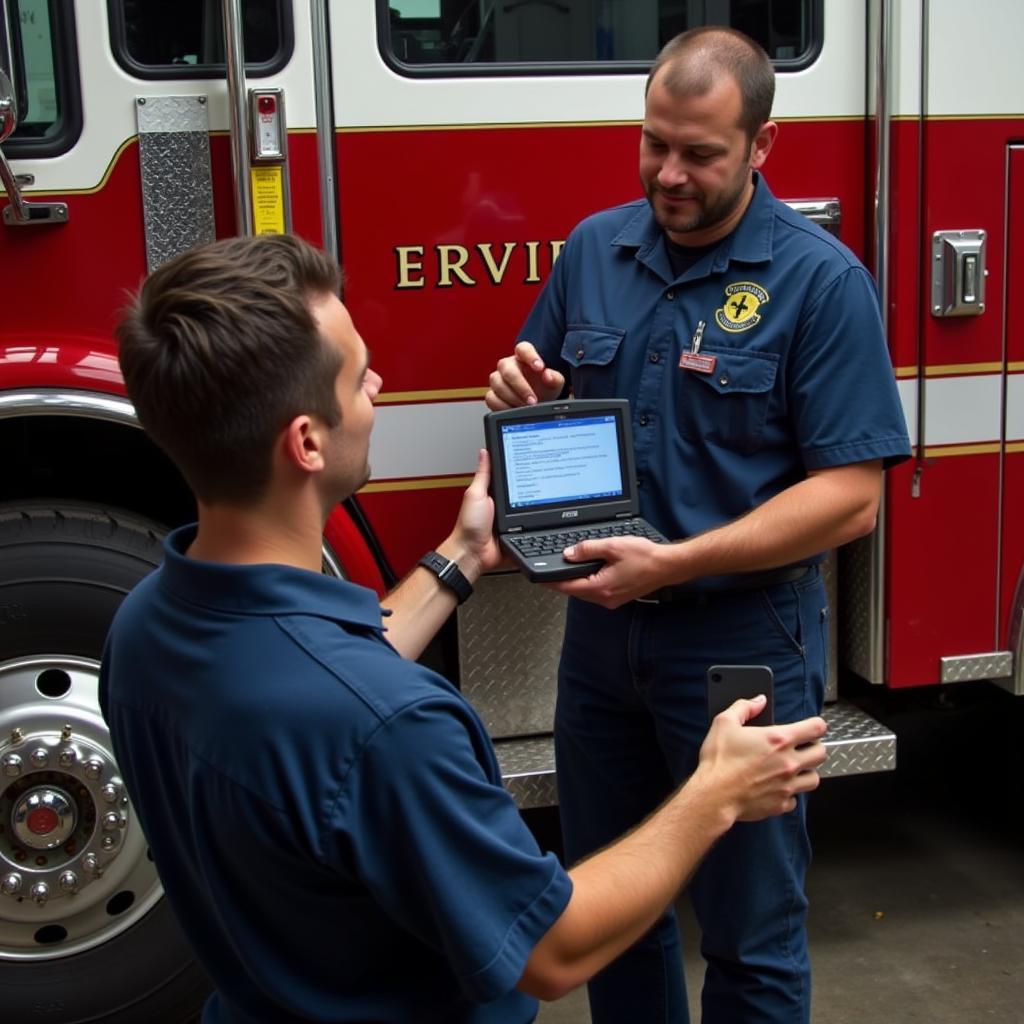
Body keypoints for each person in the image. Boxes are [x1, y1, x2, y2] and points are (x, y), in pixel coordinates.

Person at [100, 232, 827, 1024]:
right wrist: (714, 792)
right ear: (306, 442)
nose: (377, 381)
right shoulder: (395, 727)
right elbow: (552, 949)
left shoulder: (144, 629)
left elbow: (322, 687)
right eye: (356, 377)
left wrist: (466, 552)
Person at [485, 26, 912, 1024]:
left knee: (749, 927)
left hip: (740, 647)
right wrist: (514, 394)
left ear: (761, 148)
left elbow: (852, 495)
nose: (668, 174)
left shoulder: (819, 282)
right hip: (599, 642)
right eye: (653, 144)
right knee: (605, 910)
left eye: (700, 153)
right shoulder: (595, 247)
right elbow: (535, 405)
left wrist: (675, 560)